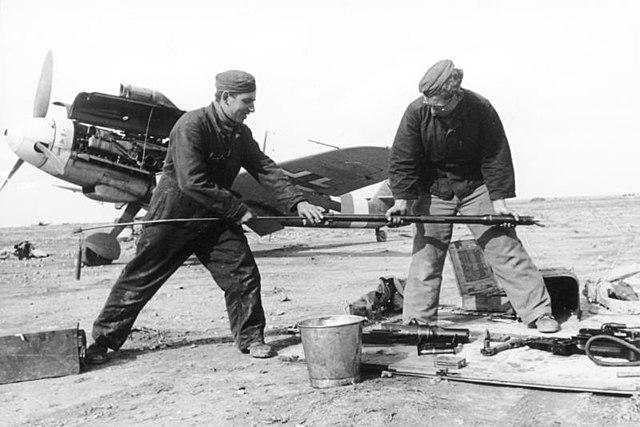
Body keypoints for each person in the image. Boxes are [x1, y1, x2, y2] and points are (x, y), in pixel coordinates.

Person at [85, 70, 325, 364]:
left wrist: (297, 201)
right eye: (246, 102)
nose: (251, 109)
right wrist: (239, 211)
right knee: (139, 279)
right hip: (173, 217)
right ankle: (102, 343)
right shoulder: (191, 125)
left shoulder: (239, 133)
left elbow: (264, 167)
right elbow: (192, 181)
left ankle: (250, 338)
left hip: (214, 219)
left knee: (243, 275)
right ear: (225, 98)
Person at [385, 59, 559, 333]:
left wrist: (499, 202)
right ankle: (418, 323)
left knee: (504, 246)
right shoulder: (417, 111)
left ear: (456, 94)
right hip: (433, 188)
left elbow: (496, 156)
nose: (433, 110)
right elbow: (403, 158)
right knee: (427, 254)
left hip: (475, 186)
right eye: (429, 104)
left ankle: (538, 313)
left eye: (439, 105)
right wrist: (402, 201)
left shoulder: (480, 108)